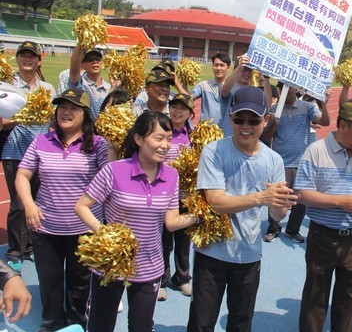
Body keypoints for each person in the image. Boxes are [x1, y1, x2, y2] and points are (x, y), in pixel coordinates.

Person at [74, 112, 200, 332]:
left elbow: (170, 222)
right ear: (139, 139)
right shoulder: (114, 170)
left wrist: (202, 215)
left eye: (169, 139)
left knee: (141, 327)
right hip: (111, 265)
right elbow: (81, 206)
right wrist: (105, 235)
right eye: (158, 138)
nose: (165, 145)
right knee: (100, 326)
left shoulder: (172, 176)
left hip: (149, 266)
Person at [187, 86, 295, 332]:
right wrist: (262, 197)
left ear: (265, 121)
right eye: (239, 119)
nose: (245, 126)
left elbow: (278, 214)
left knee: (240, 324)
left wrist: (280, 205)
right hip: (211, 254)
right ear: (230, 118)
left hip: (248, 256)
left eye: (253, 120)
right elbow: (216, 202)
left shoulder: (274, 160)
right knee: (201, 324)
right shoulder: (214, 151)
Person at [15, 88, 110, 331]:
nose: (66, 112)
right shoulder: (41, 141)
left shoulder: (98, 145)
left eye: (74, 108)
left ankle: (77, 324)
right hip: (45, 227)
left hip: (85, 229)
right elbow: (23, 175)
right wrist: (29, 205)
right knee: (50, 281)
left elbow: (111, 175)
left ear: (86, 114)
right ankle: (51, 323)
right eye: (62, 107)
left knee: (80, 283)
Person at [295, 98, 352, 332]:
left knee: (348, 298)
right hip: (323, 238)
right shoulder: (316, 150)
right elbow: (302, 193)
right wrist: (339, 201)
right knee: (315, 297)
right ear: (342, 125)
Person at [1, 40, 56, 271]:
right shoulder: (5, 86)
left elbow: (54, 121)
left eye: (32, 55)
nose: (27, 59)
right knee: (17, 203)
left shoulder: (48, 89)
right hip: (14, 151)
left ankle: (32, 244)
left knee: (37, 200)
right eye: (23, 54)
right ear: (17, 58)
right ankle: (15, 249)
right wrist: (20, 118)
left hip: (41, 153)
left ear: (38, 59)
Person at [261, 83, 330, 243]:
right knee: (278, 198)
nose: (286, 90)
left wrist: (324, 103)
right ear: (278, 90)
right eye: (282, 88)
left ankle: (293, 230)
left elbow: (325, 122)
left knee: (300, 201)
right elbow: (265, 137)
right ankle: (273, 228)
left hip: (302, 163)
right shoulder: (273, 110)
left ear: (296, 89)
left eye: (290, 87)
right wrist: (275, 125)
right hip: (281, 163)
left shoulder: (306, 107)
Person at [159, 93, 195, 301]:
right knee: (163, 240)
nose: (177, 111)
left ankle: (182, 277)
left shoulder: (195, 134)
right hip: (163, 195)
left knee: (184, 239)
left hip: (186, 196)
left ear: (190, 113)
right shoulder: (162, 131)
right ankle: (161, 280)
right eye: (174, 106)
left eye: (182, 108)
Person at [219, 54, 272, 137]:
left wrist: (266, 77)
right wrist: (240, 67)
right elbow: (224, 90)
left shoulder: (253, 91)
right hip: (227, 136)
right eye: (244, 69)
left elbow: (267, 103)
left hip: (247, 137)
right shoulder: (230, 87)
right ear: (236, 70)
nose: (246, 73)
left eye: (249, 70)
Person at [68, 45, 115, 119]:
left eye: (98, 59)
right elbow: (74, 68)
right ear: (82, 64)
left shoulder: (109, 87)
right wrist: (80, 41)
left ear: (101, 63)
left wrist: (113, 88)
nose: (95, 61)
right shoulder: (80, 83)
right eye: (90, 59)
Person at [188, 53, 231, 123]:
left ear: (228, 68)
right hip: (205, 131)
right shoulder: (203, 85)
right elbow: (188, 98)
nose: (219, 68)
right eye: (216, 65)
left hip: (226, 132)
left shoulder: (232, 87)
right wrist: (180, 83)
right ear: (212, 66)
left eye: (222, 65)